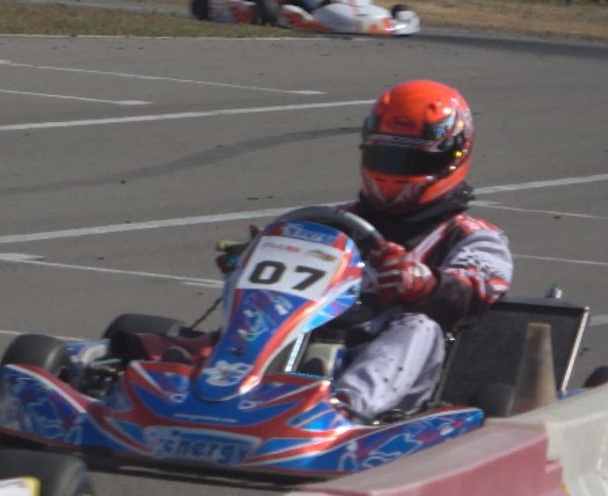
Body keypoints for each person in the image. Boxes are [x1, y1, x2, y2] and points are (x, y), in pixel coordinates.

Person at [216, 79, 512, 421]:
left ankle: (342, 412)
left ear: (451, 158)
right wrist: (256, 260)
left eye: (410, 162)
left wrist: (422, 284)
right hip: (313, 339)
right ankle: (224, 384)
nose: (394, 173)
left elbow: (474, 294)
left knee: (420, 324)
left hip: (401, 371)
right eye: (385, 157)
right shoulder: (332, 222)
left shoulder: (473, 237)